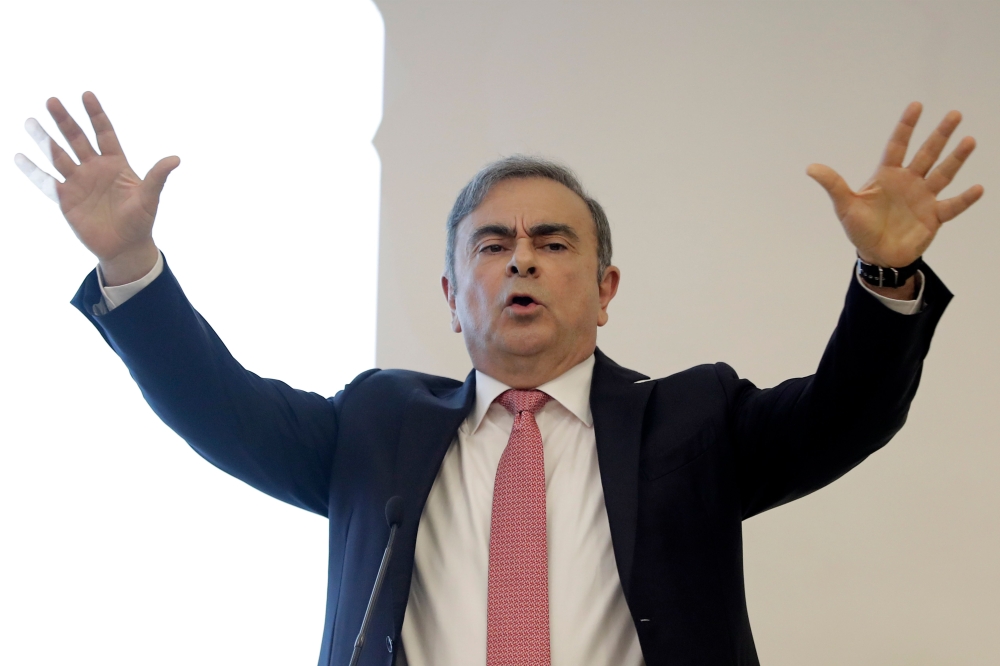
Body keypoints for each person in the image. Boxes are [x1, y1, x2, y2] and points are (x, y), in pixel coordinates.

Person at [15, 92, 983, 666]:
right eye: (494, 244)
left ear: (604, 289)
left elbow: (846, 415)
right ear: (451, 293)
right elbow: (217, 408)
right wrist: (134, 265)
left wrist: (886, 275)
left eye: (552, 243)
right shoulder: (377, 424)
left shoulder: (692, 419)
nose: (521, 261)